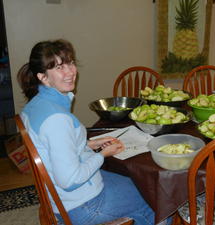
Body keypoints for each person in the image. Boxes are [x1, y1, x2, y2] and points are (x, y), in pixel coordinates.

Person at [17, 39, 171, 225]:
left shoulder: (35, 106)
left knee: (141, 183)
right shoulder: (57, 119)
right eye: (59, 67)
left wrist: (89, 144)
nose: (70, 72)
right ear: (43, 77)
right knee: (158, 198)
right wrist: (103, 154)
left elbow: (52, 148)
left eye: (70, 63)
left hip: (64, 198)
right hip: (82, 205)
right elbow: (70, 180)